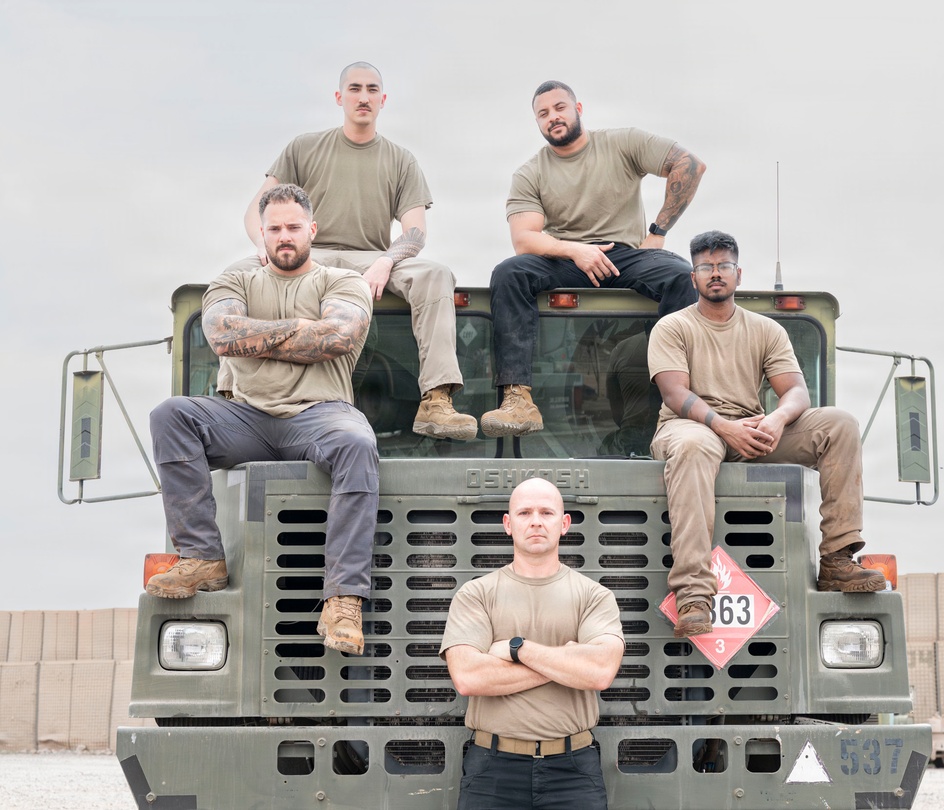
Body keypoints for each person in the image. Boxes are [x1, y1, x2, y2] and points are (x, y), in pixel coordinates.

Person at [145, 184, 378, 656]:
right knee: (170, 414)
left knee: (357, 443)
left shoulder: (343, 282)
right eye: (275, 228)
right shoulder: (235, 281)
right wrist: (301, 329)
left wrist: (256, 336)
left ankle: (343, 598)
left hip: (319, 414)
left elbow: (337, 337)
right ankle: (202, 557)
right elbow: (221, 336)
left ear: (312, 229)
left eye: (294, 227)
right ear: (262, 234)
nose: (284, 236)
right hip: (244, 418)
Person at [647, 230, 887, 638]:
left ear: (738, 274)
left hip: (752, 429)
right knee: (692, 446)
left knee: (839, 424)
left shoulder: (765, 330)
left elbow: (796, 391)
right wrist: (723, 426)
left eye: (724, 265)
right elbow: (675, 392)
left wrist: (776, 420)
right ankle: (693, 594)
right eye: (706, 267)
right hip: (691, 427)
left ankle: (836, 560)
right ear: (693, 278)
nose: (715, 273)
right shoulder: (673, 327)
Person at [227, 61, 476, 441]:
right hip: (312, 254)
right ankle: (231, 395)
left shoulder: (401, 159)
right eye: (355, 88)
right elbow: (255, 211)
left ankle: (436, 400)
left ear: (383, 100)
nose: (363, 97)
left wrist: (386, 260)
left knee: (436, 274)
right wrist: (264, 246)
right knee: (239, 274)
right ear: (339, 97)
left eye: (372, 89)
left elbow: (415, 230)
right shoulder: (304, 148)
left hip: (371, 257)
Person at [482, 79, 706, 438]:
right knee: (510, 272)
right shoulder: (530, 173)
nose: (553, 117)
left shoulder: (623, 142)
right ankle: (517, 400)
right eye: (543, 114)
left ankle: (675, 399)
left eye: (560, 108)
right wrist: (575, 249)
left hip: (627, 255)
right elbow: (524, 239)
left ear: (578, 109)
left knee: (682, 275)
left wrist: (658, 232)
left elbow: (689, 164)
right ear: (537, 122)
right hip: (566, 258)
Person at [440, 477, 624, 809]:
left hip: (573, 770)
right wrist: (567, 663)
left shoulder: (594, 596)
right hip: (492, 770)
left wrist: (517, 649)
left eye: (546, 513)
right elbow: (468, 678)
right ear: (508, 524)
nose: (536, 521)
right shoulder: (476, 594)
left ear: (564, 524)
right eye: (524, 513)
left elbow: (599, 672)